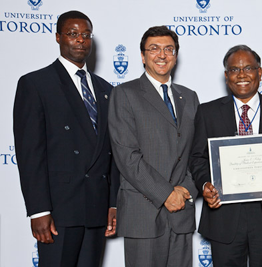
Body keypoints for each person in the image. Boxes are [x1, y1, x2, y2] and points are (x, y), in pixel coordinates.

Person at [13, 10, 119, 267]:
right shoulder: (36, 84)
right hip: (58, 212)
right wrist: (39, 211)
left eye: (86, 35)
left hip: (96, 209)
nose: (80, 40)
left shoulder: (107, 89)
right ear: (58, 37)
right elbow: (30, 154)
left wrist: (113, 204)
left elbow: (113, 153)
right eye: (72, 34)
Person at [189, 45, 262, 267]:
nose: (241, 75)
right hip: (224, 216)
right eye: (234, 69)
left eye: (248, 68)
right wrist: (205, 184)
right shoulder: (207, 112)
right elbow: (197, 158)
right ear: (226, 75)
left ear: (260, 72)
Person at [108, 25, 199, 267]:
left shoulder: (189, 97)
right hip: (144, 215)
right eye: (154, 49)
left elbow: (195, 153)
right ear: (142, 55)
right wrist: (166, 194)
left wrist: (186, 190)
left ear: (176, 56)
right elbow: (127, 156)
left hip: (181, 213)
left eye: (168, 49)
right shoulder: (124, 94)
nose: (162, 55)